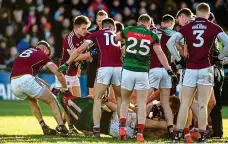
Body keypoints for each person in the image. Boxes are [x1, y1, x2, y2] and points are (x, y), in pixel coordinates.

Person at [167, 3, 228, 142]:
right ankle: (202, 136)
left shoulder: (187, 27)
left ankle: (177, 136)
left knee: (185, 104)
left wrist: (179, 58)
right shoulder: (214, 27)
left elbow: (170, 43)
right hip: (206, 69)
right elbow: (227, 43)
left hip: (190, 69)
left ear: (196, 12)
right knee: (202, 104)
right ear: (208, 13)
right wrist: (219, 58)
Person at [115, 14, 176, 142]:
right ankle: (140, 134)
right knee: (142, 103)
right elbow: (160, 53)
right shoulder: (152, 35)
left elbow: (116, 38)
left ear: (138, 22)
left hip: (127, 70)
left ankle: (122, 129)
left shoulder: (130, 30)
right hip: (142, 72)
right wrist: (169, 69)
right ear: (149, 24)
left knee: (125, 101)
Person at [58, 18, 122, 138]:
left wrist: (67, 62)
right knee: (119, 99)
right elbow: (122, 51)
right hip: (118, 69)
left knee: (97, 99)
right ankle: (122, 128)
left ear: (102, 27)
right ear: (113, 28)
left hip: (104, 68)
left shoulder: (96, 34)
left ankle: (96, 130)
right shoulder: (116, 37)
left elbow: (79, 50)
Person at [54, 89, 181, 138]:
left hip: (113, 129)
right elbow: (116, 108)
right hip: (120, 120)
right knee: (150, 124)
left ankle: (169, 132)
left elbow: (88, 132)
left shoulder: (79, 124)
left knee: (149, 129)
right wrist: (104, 101)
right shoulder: (88, 107)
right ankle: (177, 130)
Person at [10, 40, 68, 135]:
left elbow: (35, 79)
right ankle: (61, 126)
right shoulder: (43, 55)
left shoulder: (27, 52)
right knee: (52, 100)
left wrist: (51, 89)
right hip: (26, 80)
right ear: (45, 50)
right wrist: (65, 88)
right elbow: (58, 73)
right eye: (48, 53)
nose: (48, 56)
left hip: (14, 84)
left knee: (32, 100)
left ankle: (43, 126)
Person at [148, 14, 176, 137]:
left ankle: (139, 128)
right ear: (171, 24)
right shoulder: (172, 33)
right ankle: (170, 128)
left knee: (144, 100)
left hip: (153, 69)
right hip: (166, 70)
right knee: (165, 103)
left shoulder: (152, 31)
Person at [57, 15, 91, 97]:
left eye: (86, 28)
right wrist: (90, 56)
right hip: (66, 74)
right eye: (83, 28)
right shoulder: (69, 38)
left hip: (74, 74)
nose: (86, 31)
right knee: (69, 104)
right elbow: (74, 57)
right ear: (76, 28)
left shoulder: (86, 35)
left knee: (78, 101)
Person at [87, 10, 108, 96]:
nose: (101, 23)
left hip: (106, 64)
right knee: (91, 87)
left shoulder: (111, 33)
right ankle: (92, 107)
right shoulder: (91, 32)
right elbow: (84, 47)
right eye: (99, 21)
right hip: (93, 63)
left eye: (103, 21)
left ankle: (106, 107)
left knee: (106, 89)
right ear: (96, 21)